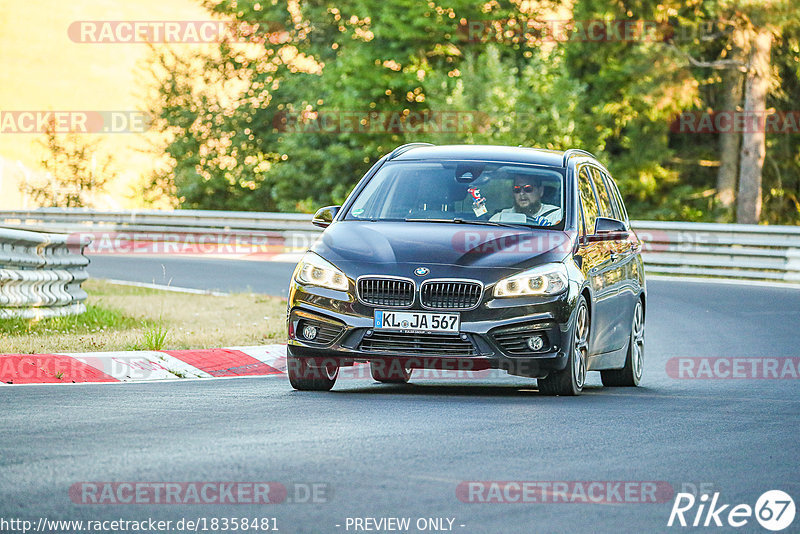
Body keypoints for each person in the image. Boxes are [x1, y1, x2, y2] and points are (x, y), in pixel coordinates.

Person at [490, 174, 562, 226]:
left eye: (528, 188)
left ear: (540, 191)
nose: (522, 193)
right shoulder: (500, 218)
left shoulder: (556, 216)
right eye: (517, 189)